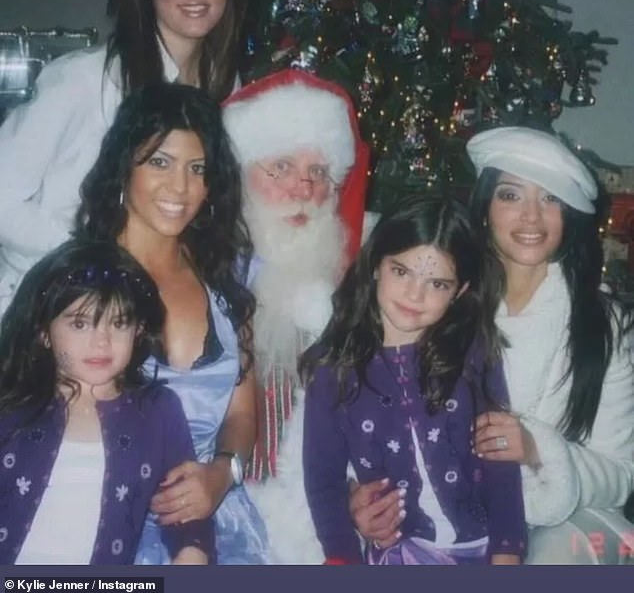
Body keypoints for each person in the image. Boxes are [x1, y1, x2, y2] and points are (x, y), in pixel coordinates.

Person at [351, 126, 634, 565]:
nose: (531, 218)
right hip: (445, 521)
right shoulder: (433, 301)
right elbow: (368, 414)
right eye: (511, 195)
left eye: (550, 198)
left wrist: (539, 449)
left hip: (569, 525)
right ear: (485, 208)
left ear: (571, 215)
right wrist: (363, 497)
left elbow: (619, 475)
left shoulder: (607, 325)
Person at [0, 0, 249, 318]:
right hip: (47, 310)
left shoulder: (229, 91)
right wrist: (95, 256)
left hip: (150, 316)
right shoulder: (83, 78)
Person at [74, 82, 269, 564]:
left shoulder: (226, 277)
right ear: (124, 167)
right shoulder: (75, 280)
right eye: (159, 162)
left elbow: (242, 414)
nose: (180, 189)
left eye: (197, 169)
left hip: (223, 524)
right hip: (101, 522)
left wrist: (222, 474)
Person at [300, 196, 527, 565]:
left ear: (461, 291)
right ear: (376, 265)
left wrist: (506, 555)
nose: (415, 294)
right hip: (399, 556)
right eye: (402, 271)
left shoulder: (474, 350)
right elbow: (323, 480)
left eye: (437, 284)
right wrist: (342, 559)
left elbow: (500, 460)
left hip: (484, 549)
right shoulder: (333, 366)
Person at [221, 68, 370, 563]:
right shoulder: (201, 282)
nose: (303, 189)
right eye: (281, 167)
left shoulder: (362, 297)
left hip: (322, 523)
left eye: (319, 173)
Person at [0, 239, 211, 565]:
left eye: (118, 323)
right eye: (80, 323)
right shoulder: (11, 403)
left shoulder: (157, 411)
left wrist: (191, 552)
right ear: (44, 331)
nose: (101, 341)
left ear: (139, 330)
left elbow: (186, 507)